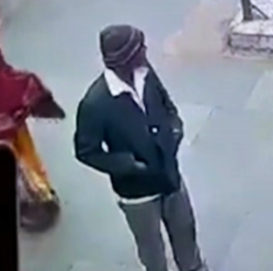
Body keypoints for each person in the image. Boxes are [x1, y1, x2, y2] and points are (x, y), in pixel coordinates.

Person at [74, 25, 208, 271]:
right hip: (137, 192)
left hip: (169, 175)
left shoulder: (146, 74)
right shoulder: (95, 104)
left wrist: (175, 130)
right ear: (125, 57)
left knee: (185, 230)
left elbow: (166, 104)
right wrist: (127, 165)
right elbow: (86, 151)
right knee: (151, 248)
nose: (146, 50)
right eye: (140, 48)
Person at [0, 42, 65, 232]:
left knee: (21, 164)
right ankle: (43, 194)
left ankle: (36, 198)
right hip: (13, 120)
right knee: (28, 158)